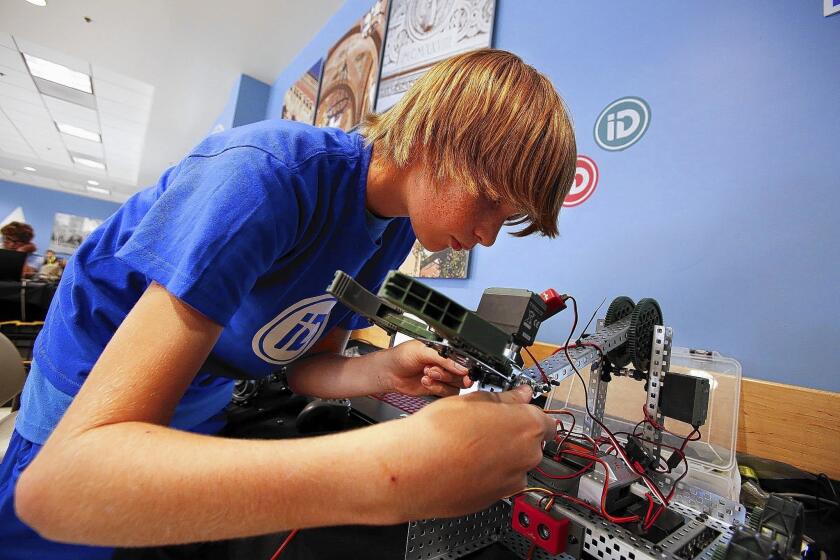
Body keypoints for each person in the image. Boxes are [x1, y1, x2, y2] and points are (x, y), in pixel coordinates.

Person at [0, 48, 577, 559]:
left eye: (509, 221)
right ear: (434, 137)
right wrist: (394, 473)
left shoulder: (394, 229)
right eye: (491, 202)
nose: (488, 236)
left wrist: (383, 369)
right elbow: (68, 485)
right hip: (91, 386)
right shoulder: (264, 177)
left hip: (202, 394)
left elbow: (301, 365)